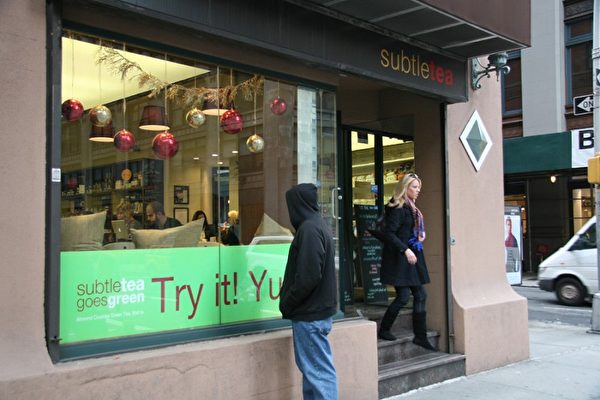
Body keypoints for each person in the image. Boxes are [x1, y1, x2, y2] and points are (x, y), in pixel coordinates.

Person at [279, 183, 338, 400]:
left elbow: (308, 276)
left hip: (310, 315)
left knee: (319, 374)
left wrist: (287, 302)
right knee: (314, 373)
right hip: (315, 313)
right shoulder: (317, 225)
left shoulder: (309, 230)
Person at [377, 173, 435, 350]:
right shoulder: (399, 207)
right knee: (403, 297)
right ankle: (384, 329)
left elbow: (407, 230)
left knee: (421, 295)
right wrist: (406, 249)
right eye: (414, 187)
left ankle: (420, 336)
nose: (418, 190)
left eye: (419, 187)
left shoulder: (412, 208)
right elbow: (389, 234)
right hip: (400, 257)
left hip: (411, 255)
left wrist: (417, 237)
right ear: (405, 188)